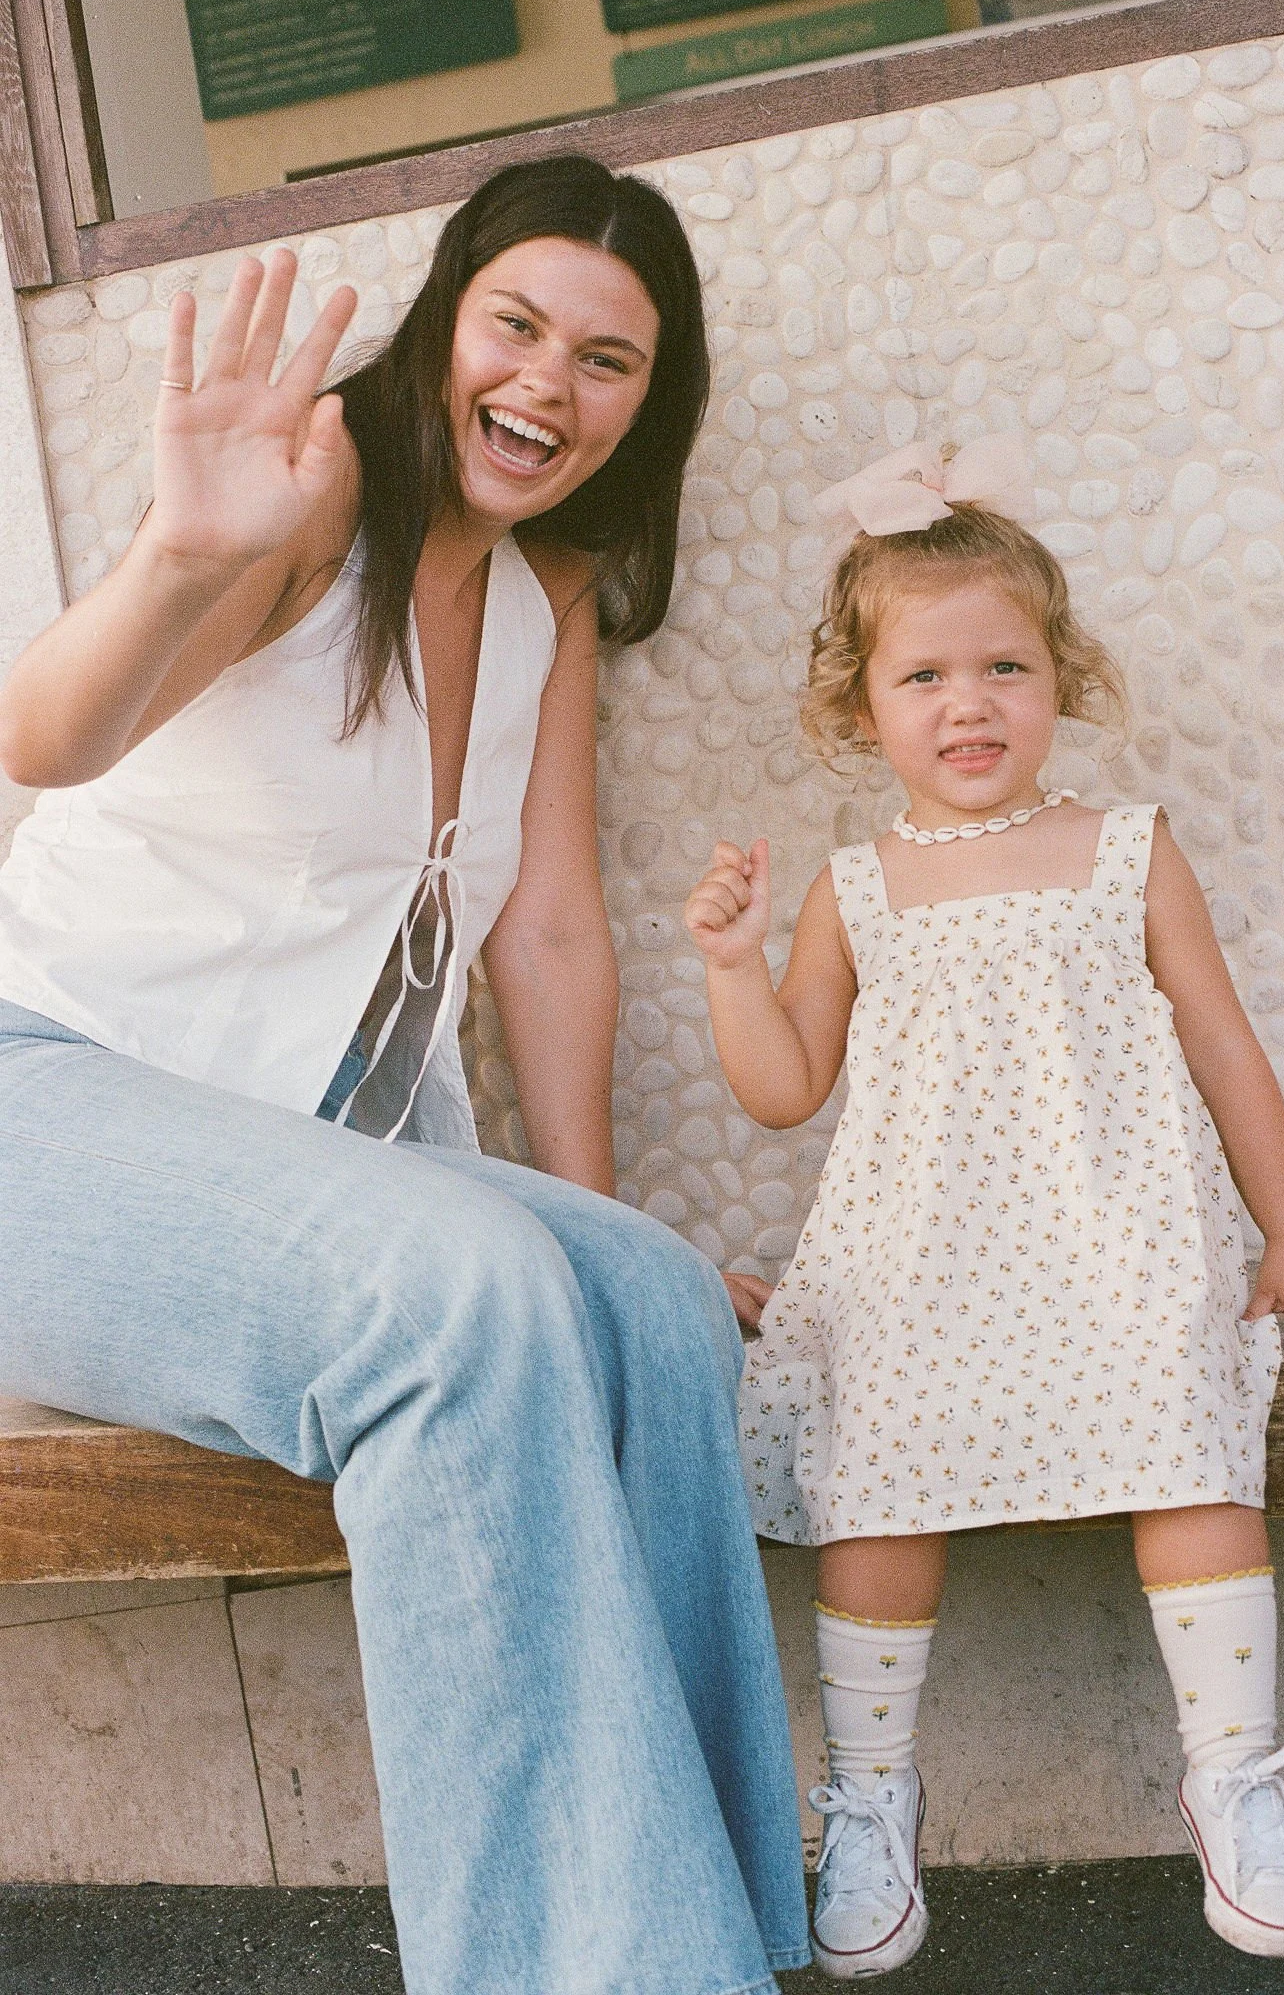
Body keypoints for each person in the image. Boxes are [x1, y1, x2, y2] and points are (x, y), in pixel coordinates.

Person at [0, 156, 810, 1994]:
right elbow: (46, 734)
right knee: (457, 1300)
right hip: (39, 1105)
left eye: (611, 362)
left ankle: (706, 1923)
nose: (550, 385)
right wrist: (179, 550)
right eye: (517, 325)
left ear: (646, 409)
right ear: (447, 318)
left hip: (283, 1160)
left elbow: (543, 932)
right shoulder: (310, 504)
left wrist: (605, 1223)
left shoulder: (538, 603)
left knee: (658, 1309)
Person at [684, 437, 1284, 1980]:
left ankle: (1234, 1780)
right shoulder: (852, 889)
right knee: (877, 1492)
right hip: (916, 1263)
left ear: (1061, 679)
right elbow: (784, 1087)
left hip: (1119, 1243)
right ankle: (866, 1799)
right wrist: (728, 967)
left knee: (1189, 1447)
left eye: (1003, 665)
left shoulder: (1125, 849)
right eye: (923, 677)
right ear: (860, 709)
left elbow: (1220, 1042)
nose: (968, 703)